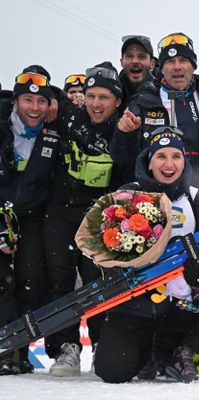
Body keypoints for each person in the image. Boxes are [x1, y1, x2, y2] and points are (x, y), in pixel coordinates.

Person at [94, 126, 199, 383]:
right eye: (161, 156)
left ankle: (184, 349)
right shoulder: (127, 195)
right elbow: (102, 249)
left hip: (180, 305)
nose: (169, 164)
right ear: (149, 161)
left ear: (184, 162)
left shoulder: (198, 200)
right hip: (137, 306)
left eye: (176, 156)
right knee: (111, 371)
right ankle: (149, 353)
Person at [43, 62, 125, 377]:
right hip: (61, 210)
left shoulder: (124, 129)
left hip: (97, 214)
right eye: (90, 95)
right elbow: (31, 92)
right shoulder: (69, 113)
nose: (95, 103)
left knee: (97, 282)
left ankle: (103, 342)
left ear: (117, 100)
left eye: (104, 97)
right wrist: (52, 99)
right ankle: (66, 349)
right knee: (59, 280)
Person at [110, 32, 199, 218]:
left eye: (183, 60)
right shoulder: (143, 102)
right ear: (161, 68)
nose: (177, 67)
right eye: (170, 62)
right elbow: (122, 160)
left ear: (193, 65)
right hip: (156, 209)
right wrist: (124, 134)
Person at [0, 66, 61, 375]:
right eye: (27, 100)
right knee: (2, 282)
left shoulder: (53, 130)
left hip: (34, 218)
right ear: (15, 102)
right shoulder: (2, 129)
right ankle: (4, 350)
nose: (34, 109)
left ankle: (19, 351)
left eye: (41, 102)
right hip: (1, 213)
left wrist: (58, 101)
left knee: (30, 280)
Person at [119, 35, 156, 108]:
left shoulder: (162, 92)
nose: (135, 61)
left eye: (141, 56)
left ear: (152, 63)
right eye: (129, 56)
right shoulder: (112, 93)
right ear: (121, 62)